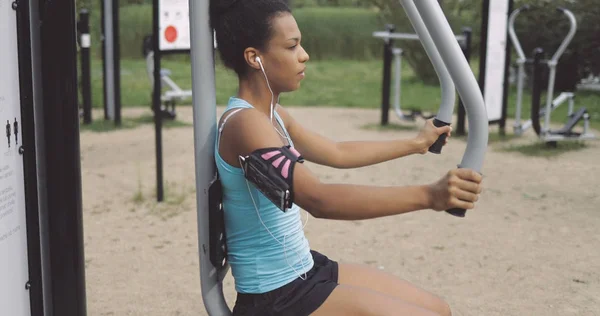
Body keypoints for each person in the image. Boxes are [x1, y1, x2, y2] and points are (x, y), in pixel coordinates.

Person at [210, 1, 483, 315]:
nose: (304, 55)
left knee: (439, 310)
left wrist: (416, 143)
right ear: (254, 57)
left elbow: (337, 152)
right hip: (276, 297)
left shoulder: (271, 115)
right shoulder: (245, 124)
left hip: (305, 270)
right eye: (292, 46)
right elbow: (320, 200)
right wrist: (431, 196)